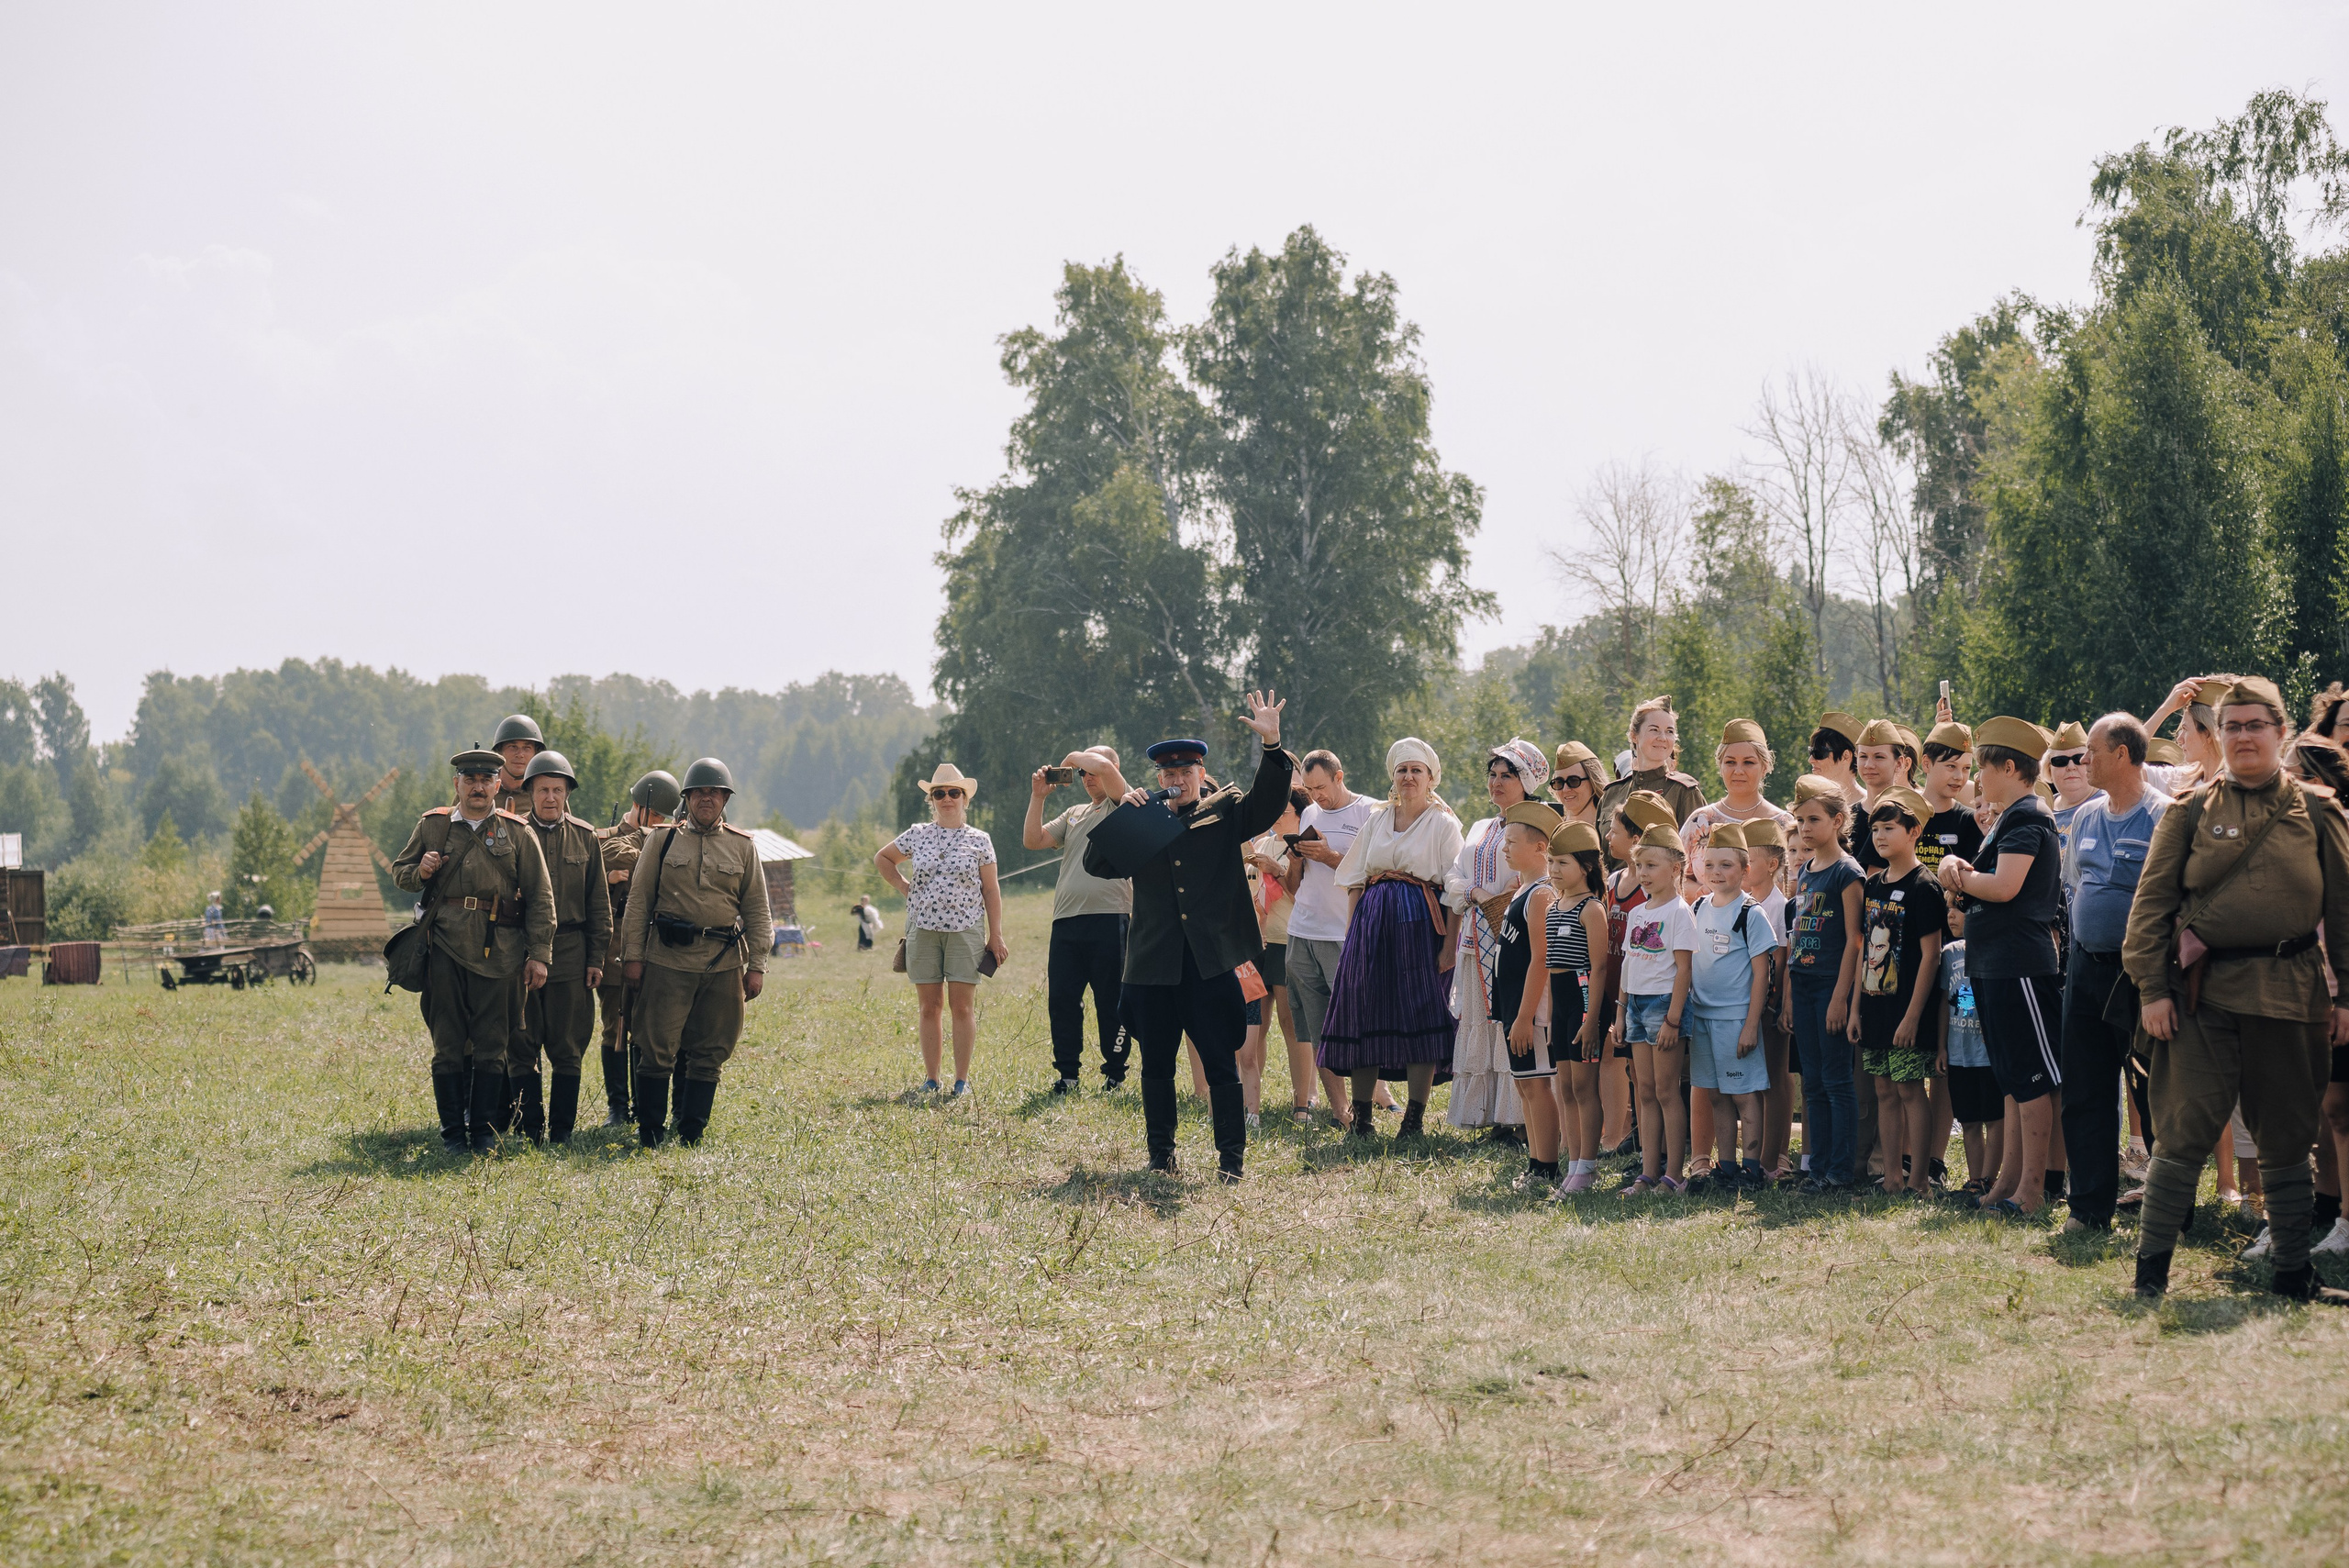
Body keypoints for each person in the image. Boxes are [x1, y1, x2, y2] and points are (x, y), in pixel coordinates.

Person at [2124, 677, 2349, 1303]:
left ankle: (2292, 1273)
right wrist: (2152, 989)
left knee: (2286, 1134)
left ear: (2281, 732)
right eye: (2233, 725)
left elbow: (2345, 911)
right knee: (2183, 1132)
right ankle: (2151, 1276)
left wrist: (2347, 996)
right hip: (2202, 995)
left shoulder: (2319, 810)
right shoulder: (2190, 811)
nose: (2244, 735)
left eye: (2256, 725)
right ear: (2218, 736)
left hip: (2293, 991)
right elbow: (2150, 909)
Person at [1081, 695, 1294, 1180]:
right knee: (1156, 1067)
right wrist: (1125, 814)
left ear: (1201, 773)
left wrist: (1272, 743)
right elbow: (1098, 865)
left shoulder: (1228, 811)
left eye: (1186, 771)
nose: (1176, 779)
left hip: (1210, 963)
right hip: (1154, 966)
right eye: (1167, 774)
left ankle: (1231, 1160)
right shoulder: (1145, 819)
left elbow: (1269, 800)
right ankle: (1161, 1155)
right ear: (1158, 779)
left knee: (1221, 1065)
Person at [391, 747, 555, 1154]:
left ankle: (483, 1134)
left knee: (492, 1044)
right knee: (447, 1044)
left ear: (498, 785)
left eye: (486, 781)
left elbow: (540, 898)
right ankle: (452, 1137)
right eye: (470, 780)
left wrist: (539, 954)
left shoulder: (518, 833)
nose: (478, 788)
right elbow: (400, 874)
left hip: (500, 953)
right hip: (444, 948)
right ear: (457, 784)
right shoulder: (433, 826)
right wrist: (421, 871)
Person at [1937, 717, 2064, 1218]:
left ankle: (2030, 1192)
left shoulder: (2028, 817)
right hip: (1995, 964)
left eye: (1982, 769)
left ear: (2009, 767)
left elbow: (2006, 886)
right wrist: (1960, 873)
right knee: (2012, 1080)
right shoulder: (2010, 818)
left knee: (2030, 1079)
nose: (1976, 781)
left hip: (2020, 966)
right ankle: (2006, 1184)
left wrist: (1958, 874)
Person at [616, 759, 771, 1146]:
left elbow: (757, 909)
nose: (707, 798)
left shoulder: (743, 846)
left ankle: (691, 1133)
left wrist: (758, 966)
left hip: (723, 964)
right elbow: (638, 901)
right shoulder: (661, 840)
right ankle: (650, 1132)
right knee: (656, 1049)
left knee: (710, 1052)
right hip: (667, 961)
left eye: (715, 792)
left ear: (725, 799)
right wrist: (632, 956)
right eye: (699, 792)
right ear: (686, 798)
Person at [1320, 738, 1467, 1142]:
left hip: (1419, 925)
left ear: (1431, 778)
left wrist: (1449, 945)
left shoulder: (1443, 823)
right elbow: (1354, 878)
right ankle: (1362, 1117)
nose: (1408, 777)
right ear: (1393, 776)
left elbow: (1454, 890)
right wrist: (1352, 934)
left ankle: (1414, 1120)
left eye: (1416, 771)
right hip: (1371, 926)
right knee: (1364, 1012)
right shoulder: (1377, 819)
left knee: (1420, 1012)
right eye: (1402, 770)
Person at [2056, 713, 2168, 1235]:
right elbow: (2077, 886)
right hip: (2086, 968)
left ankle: (2171, 1207)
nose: (2082, 761)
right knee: (2086, 1089)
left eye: (2091, 752)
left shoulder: (2163, 817)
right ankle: (2089, 1208)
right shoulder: (2085, 816)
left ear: (2122, 753)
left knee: (2155, 1092)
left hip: (2142, 974)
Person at [876, 763, 1006, 1098]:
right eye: (939, 793)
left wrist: (996, 934)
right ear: (931, 800)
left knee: (962, 1007)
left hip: (966, 930)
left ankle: (961, 1081)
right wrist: (906, 889)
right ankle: (931, 1079)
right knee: (928, 1007)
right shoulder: (917, 833)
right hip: (923, 930)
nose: (947, 798)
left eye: (954, 792)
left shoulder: (980, 840)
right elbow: (883, 859)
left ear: (965, 799)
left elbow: (991, 891)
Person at [1444, 740, 1551, 1138]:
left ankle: (1522, 1118)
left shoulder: (1539, 825)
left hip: (1516, 937)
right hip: (1476, 935)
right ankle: (1490, 1114)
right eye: (1493, 774)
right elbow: (1453, 877)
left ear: (1526, 781)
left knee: (1515, 1019)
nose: (1497, 782)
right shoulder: (1480, 828)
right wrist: (1476, 894)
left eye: (1507, 775)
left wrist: (1493, 895)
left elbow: (1535, 877)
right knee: (1481, 1022)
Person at [1283, 750, 1394, 1127]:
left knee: (1356, 1025)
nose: (1316, 796)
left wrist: (1330, 856)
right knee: (1319, 1031)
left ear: (1340, 776)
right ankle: (1339, 1112)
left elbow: (1376, 874)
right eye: (1309, 789)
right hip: (1301, 933)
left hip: (1345, 935)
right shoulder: (1310, 814)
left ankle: (1366, 1106)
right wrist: (1297, 858)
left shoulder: (1369, 812)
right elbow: (1293, 887)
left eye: (1322, 787)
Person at [510, 750, 612, 1145]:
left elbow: (599, 904)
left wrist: (596, 958)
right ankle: (529, 1129)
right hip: (521, 950)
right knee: (521, 1043)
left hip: (571, 951)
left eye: (557, 789)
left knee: (568, 1046)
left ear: (567, 793)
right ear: (530, 793)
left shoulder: (586, 837)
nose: (550, 798)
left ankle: (562, 1133)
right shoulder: (513, 833)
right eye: (542, 790)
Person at [1851, 786, 1947, 1197]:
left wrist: (1912, 1016)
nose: (1881, 837)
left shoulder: (1924, 886)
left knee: (1910, 1089)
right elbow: (1861, 952)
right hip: (1874, 1006)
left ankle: (1920, 1180)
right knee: (1884, 1090)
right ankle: (1891, 1178)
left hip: (1908, 1008)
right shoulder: (1872, 885)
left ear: (1914, 831)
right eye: (1875, 829)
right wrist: (1855, 1009)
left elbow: (1931, 957)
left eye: (1890, 828)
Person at [1024, 748, 1133, 1095]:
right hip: (1067, 921)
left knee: (1111, 1000)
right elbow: (1033, 840)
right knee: (1063, 999)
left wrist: (1073, 757)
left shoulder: (1123, 802)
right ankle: (1068, 1074)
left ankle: (1114, 1074)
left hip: (1111, 918)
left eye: (1092, 771)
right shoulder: (1074, 813)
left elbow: (1100, 764)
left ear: (1113, 770)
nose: (1087, 777)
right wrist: (1037, 797)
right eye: (1082, 774)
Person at [1782, 774, 1865, 1191]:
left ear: (1837, 821)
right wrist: (1791, 996)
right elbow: (1798, 937)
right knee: (1811, 1082)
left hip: (1833, 985)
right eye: (1800, 821)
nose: (1805, 829)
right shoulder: (1806, 870)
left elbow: (1855, 941)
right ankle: (1816, 1167)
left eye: (1814, 820)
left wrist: (1840, 1000)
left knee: (1835, 1080)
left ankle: (1840, 1169)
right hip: (1806, 982)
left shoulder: (1847, 873)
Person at [594, 769, 678, 1128]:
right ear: (638, 805)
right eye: (654, 814)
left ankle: (646, 1102)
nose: (658, 822)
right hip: (614, 945)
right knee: (615, 1026)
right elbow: (611, 852)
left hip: (655, 946)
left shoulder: (669, 839)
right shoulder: (607, 836)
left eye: (663, 817)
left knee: (649, 1028)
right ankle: (617, 1106)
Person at [1490, 800, 1567, 1191]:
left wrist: (1523, 1017)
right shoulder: (1524, 889)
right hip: (1514, 1007)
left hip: (1532, 1013)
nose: (1505, 847)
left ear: (1540, 848)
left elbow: (1542, 960)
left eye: (1512, 841)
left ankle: (1547, 1168)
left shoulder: (1541, 894)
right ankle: (1536, 1163)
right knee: (1524, 1084)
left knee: (1537, 1087)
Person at [1617, 821, 1697, 1193]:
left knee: (1667, 1091)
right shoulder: (1638, 914)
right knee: (1644, 1091)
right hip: (1635, 1004)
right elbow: (1629, 964)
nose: (1643, 875)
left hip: (1665, 1006)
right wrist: (1620, 1012)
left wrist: (1673, 1020)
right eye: (1639, 866)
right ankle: (1647, 1173)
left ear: (1676, 868)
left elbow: (1684, 970)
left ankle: (1674, 1173)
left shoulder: (1680, 912)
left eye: (1652, 866)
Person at [1597, 793, 1675, 1155]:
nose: (1608, 838)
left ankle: (1647, 1144)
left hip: (1645, 995)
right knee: (1626, 1070)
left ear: (1637, 838)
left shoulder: (1653, 893)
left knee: (1646, 1077)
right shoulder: (1613, 881)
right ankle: (1631, 1138)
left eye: (1615, 831)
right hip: (1614, 989)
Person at [1543, 817, 1610, 1194]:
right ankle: (1573, 1162)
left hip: (1583, 995)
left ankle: (1588, 1166)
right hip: (1560, 999)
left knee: (1585, 1088)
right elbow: (1553, 967)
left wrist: (1591, 1021)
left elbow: (1599, 967)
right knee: (1565, 1088)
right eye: (1551, 862)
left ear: (1585, 866)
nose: (1554, 870)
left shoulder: (1591, 908)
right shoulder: (1554, 907)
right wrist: (1554, 1019)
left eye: (1562, 863)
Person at [1248, 789, 1312, 1124]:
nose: (1276, 817)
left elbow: (1303, 894)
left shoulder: (1307, 844)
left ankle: (1302, 1103)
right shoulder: (1262, 844)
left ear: (1300, 814)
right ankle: (1250, 1102)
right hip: (1259, 943)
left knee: (1293, 1025)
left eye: (1283, 811)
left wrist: (1276, 869)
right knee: (1254, 1026)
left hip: (1290, 941)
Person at [1738, 816, 1797, 1182]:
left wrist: (1779, 1004)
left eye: (1748, 860)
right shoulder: (1739, 902)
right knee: (1751, 1081)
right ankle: (1756, 1154)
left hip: (1770, 1005)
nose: (1741, 867)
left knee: (1776, 1076)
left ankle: (1775, 1156)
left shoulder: (1780, 906)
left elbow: (1785, 960)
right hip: (1741, 1005)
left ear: (1772, 865)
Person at [1595, 696, 1708, 869]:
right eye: (1654, 730)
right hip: (1615, 891)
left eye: (1670, 732)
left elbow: (1699, 859)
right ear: (1634, 736)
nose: (1663, 738)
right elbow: (1599, 860)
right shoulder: (1612, 794)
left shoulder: (1684, 792)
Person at [1939, 906, 2005, 1194]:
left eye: (1960, 908)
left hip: (1988, 1057)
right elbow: (1945, 1002)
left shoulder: (1994, 948)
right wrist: (1941, 1047)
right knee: (1968, 1120)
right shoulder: (1949, 953)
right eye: (1949, 907)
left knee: (1994, 1118)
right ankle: (1975, 1179)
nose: (1951, 914)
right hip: (1957, 1054)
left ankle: (1990, 1178)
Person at [1679, 719, 1797, 866]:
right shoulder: (1699, 821)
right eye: (1730, 762)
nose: (1738, 771)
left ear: (1765, 767)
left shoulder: (1784, 824)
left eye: (1748, 762)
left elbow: (1797, 880)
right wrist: (1704, 890)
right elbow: (1676, 878)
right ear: (1720, 767)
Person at [1916, 721, 1982, 877]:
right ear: (1926, 764)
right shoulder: (1902, 814)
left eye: (1966, 768)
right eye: (1951, 766)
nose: (1959, 777)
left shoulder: (1970, 822)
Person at [2043, 721, 2097, 860]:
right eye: (2060, 761)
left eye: (2078, 759)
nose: (2071, 766)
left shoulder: (2108, 804)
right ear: (2049, 768)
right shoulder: (2043, 808)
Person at [487, 713, 545, 816]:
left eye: (527, 748)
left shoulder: (546, 792)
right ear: (500, 751)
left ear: (535, 753)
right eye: (513, 747)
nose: (520, 754)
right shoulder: (481, 787)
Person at [1547, 741, 1609, 827]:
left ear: (1593, 781)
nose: (1565, 789)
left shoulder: (1610, 829)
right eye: (1559, 783)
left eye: (1573, 781)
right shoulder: (1552, 830)